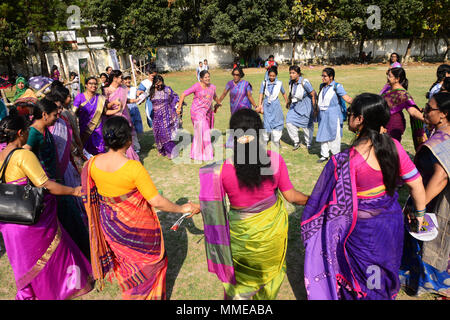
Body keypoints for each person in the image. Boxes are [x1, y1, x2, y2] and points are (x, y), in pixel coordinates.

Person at [301, 93, 426, 300]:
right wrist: (420, 216)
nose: (346, 116)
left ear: (360, 119)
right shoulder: (394, 146)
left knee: (369, 274)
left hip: (365, 232)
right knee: (384, 266)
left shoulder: (345, 161)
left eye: (349, 113)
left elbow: (325, 202)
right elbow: (416, 184)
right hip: (391, 223)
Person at [81, 116, 201, 300]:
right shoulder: (133, 168)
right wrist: (182, 208)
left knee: (126, 263)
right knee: (153, 264)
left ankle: (130, 293)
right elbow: (157, 201)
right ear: (128, 140)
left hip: (111, 227)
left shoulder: (92, 164)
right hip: (137, 228)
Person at [199, 108, 309, 300]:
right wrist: (316, 200)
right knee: (268, 281)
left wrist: (194, 206)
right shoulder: (274, 160)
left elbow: (212, 204)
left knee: (238, 287)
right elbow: (291, 196)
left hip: (240, 241)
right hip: (271, 240)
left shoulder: (222, 170)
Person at [0, 112, 94, 300]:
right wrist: (74, 191)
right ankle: (56, 289)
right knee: (53, 254)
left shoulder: (1, 154)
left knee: (25, 263)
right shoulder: (22, 156)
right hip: (31, 222)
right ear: (20, 132)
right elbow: (45, 184)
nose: (28, 133)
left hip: (9, 221)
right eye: (26, 130)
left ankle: (31, 293)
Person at [24, 97, 91, 258]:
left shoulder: (44, 129)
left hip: (57, 181)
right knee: (69, 222)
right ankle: (84, 257)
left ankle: (84, 256)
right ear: (45, 115)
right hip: (49, 187)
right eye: (54, 115)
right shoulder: (32, 133)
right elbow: (24, 155)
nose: (57, 117)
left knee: (72, 221)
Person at [400, 92, 450, 299]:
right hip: (431, 195)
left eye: (430, 108)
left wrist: (419, 206)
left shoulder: (442, 141)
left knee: (428, 236)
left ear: (444, 114)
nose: (425, 111)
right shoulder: (441, 134)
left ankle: (426, 280)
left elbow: (440, 177)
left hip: (434, 199)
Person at [176, 70, 221, 161]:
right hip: (196, 112)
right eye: (205, 77)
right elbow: (183, 94)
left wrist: (218, 103)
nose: (208, 78)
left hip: (207, 112)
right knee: (204, 131)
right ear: (201, 79)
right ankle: (207, 155)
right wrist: (179, 108)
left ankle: (195, 154)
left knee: (201, 132)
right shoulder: (197, 86)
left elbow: (214, 96)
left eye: (208, 77)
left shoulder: (212, 87)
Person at [73, 76, 119, 156]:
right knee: (86, 152)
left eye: (95, 84)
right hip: (85, 130)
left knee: (100, 150)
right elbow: (73, 113)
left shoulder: (100, 98)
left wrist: (117, 110)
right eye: (91, 83)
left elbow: (105, 112)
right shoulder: (79, 97)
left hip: (98, 129)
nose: (93, 85)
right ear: (86, 85)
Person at [381, 67, 425, 149]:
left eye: (390, 76)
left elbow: (413, 111)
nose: (387, 78)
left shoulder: (403, 94)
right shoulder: (388, 89)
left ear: (397, 79)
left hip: (394, 125)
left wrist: (426, 120)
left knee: (391, 149)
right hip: (384, 122)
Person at [316, 67, 353, 163]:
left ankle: (336, 155)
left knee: (334, 135)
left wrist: (358, 103)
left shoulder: (337, 86)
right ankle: (324, 155)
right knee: (323, 133)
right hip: (323, 115)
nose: (322, 78)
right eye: (322, 76)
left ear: (331, 77)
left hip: (334, 115)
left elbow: (347, 98)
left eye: (325, 76)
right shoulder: (322, 86)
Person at [103, 70, 140, 160]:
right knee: (118, 139)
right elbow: (105, 107)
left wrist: (134, 100)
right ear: (115, 78)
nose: (123, 79)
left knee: (126, 137)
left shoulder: (123, 88)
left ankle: (131, 157)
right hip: (113, 118)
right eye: (121, 77)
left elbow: (124, 101)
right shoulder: (106, 90)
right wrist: (113, 103)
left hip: (124, 116)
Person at [285, 65, 317, 150]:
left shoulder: (304, 82)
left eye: (293, 73)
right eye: (290, 73)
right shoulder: (291, 82)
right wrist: (289, 101)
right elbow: (291, 92)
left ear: (298, 74)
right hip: (295, 106)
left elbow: (313, 94)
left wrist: (314, 108)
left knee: (307, 126)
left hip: (306, 107)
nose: (291, 75)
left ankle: (308, 142)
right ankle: (296, 141)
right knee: (289, 121)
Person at [149, 75, 180, 159]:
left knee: (165, 133)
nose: (159, 86)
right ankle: (162, 150)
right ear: (153, 83)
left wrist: (177, 105)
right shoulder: (151, 91)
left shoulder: (167, 90)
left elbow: (175, 97)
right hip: (156, 116)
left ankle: (172, 151)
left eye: (161, 85)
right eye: (157, 85)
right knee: (157, 133)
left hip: (166, 115)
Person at [257, 66, 287, 149]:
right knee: (266, 122)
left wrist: (287, 101)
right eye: (270, 75)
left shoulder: (279, 83)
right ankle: (265, 140)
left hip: (276, 105)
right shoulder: (264, 83)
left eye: (273, 76)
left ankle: (277, 140)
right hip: (266, 104)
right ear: (268, 75)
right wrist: (260, 105)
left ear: (276, 75)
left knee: (277, 121)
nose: (272, 77)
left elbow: (283, 93)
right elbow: (261, 94)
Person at [123, 72, 144, 137]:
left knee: (137, 125)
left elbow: (138, 100)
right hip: (126, 110)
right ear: (122, 80)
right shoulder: (121, 89)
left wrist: (142, 98)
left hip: (135, 109)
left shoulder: (134, 89)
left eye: (129, 79)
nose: (127, 81)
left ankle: (137, 142)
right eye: (125, 79)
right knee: (129, 126)